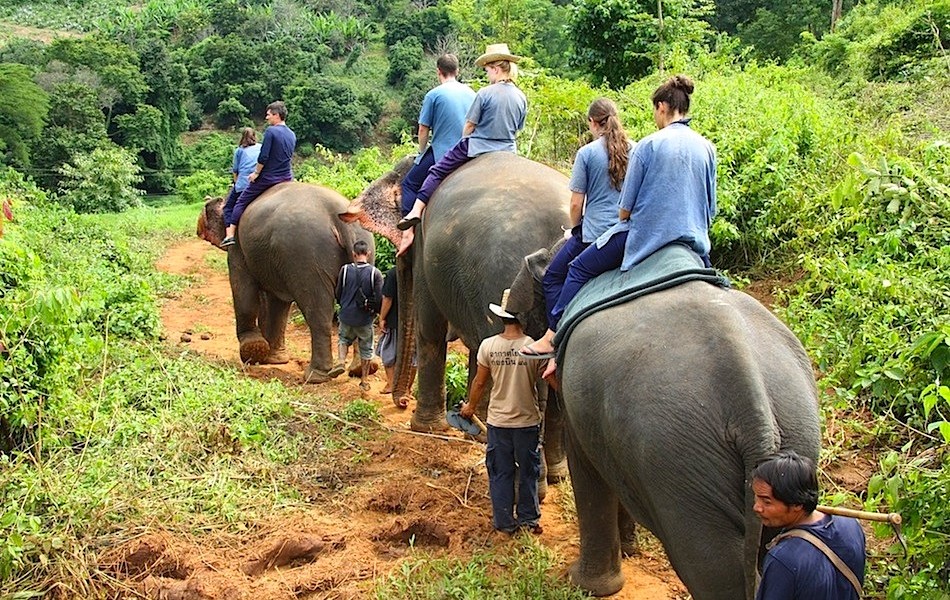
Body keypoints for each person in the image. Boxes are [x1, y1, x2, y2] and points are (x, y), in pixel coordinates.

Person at [521, 75, 716, 377]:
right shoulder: (707, 147)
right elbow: (711, 207)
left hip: (647, 238)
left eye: (655, 110)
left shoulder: (649, 146)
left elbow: (625, 210)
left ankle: (552, 337)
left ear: (662, 107)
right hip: (695, 243)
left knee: (577, 270)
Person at [519, 98, 634, 360]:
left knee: (555, 276)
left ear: (592, 123)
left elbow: (575, 203)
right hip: (628, 231)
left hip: (595, 235)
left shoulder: (587, 154)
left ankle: (553, 334)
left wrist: (575, 228)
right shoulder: (635, 150)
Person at [396, 43, 528, 256]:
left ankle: (416, 210)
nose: (487, 74)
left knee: (436, 171)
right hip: (509, 149)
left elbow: (469, 126)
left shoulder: (485, 93)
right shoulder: (520, 96)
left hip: (478, 145)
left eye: (487, 70)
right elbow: (519, 128)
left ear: (495, 68)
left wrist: (465, 140)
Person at [460, 289, 544, 535]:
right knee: (529, 470)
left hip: (498, 421)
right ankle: (528, 520)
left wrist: (470, 407)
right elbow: (546, 379)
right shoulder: (532, 346)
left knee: (500, 471)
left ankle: (504, 521)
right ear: (522, 317)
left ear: (501, 317)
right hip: (527, 420)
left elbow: (479, 382)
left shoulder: (488, 346)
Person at [752, 451, 866, 600]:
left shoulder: (783, 559)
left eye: (767, 502)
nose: (757, 507)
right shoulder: (850, 525)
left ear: (797, 504)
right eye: (756, 498)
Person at [400, 54, 477, 217]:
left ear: (438, 71)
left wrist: (421, 153)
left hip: (443, 153)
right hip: (470, 151)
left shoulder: (433, 95)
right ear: (457, 71)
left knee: (409, 184)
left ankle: (409, 228)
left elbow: (423, 129)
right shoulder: (472, 93)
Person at [221, 101, 296, 247]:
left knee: (240, 202)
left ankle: (230, 234)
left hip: (269, 177)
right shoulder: (291, 134)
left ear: (276, 115)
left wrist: (256, 173)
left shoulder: (271, 131)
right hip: (287, 177)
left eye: (268, 115)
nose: (266, 118)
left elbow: (264, 157)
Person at [332, 240, 383, 391]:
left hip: (346, 315)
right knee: (366, 349)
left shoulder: (345, 270)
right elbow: (379, 297)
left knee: (343, 339)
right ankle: (364, 380)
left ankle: (341, 361)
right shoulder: (375, 273)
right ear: (368, 254)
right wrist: (375, 313)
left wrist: (344, 305)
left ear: (354, 254)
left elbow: (338, 293)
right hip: (365, 319)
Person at [221, 127, 262, 231]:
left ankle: (229, 233)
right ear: (254, 136)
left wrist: (236, 184)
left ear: (242, 137)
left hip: (244, 183)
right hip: (260, 181)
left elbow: (235, 171)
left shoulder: (239, 151)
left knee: (228, 208)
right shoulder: (261, 147)